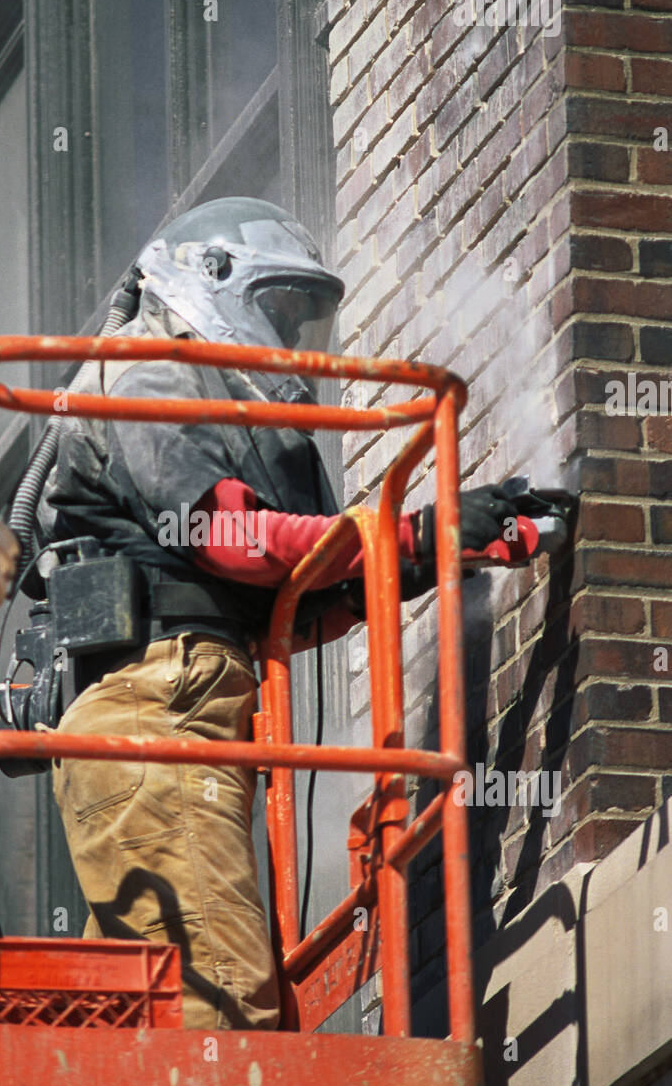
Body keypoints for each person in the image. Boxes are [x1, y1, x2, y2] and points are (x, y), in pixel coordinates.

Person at [32, 197, 522, 1031]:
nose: (290, 337)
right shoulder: (142, 365)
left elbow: (302, 606)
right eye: (278, 310)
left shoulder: (229, 405)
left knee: (152, 1018)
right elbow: (229, 539)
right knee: (223, 1010)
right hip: (156, 717)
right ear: (208, 279)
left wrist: (438, 545)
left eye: (301, 319)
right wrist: (408, 529)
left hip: (181, 717)